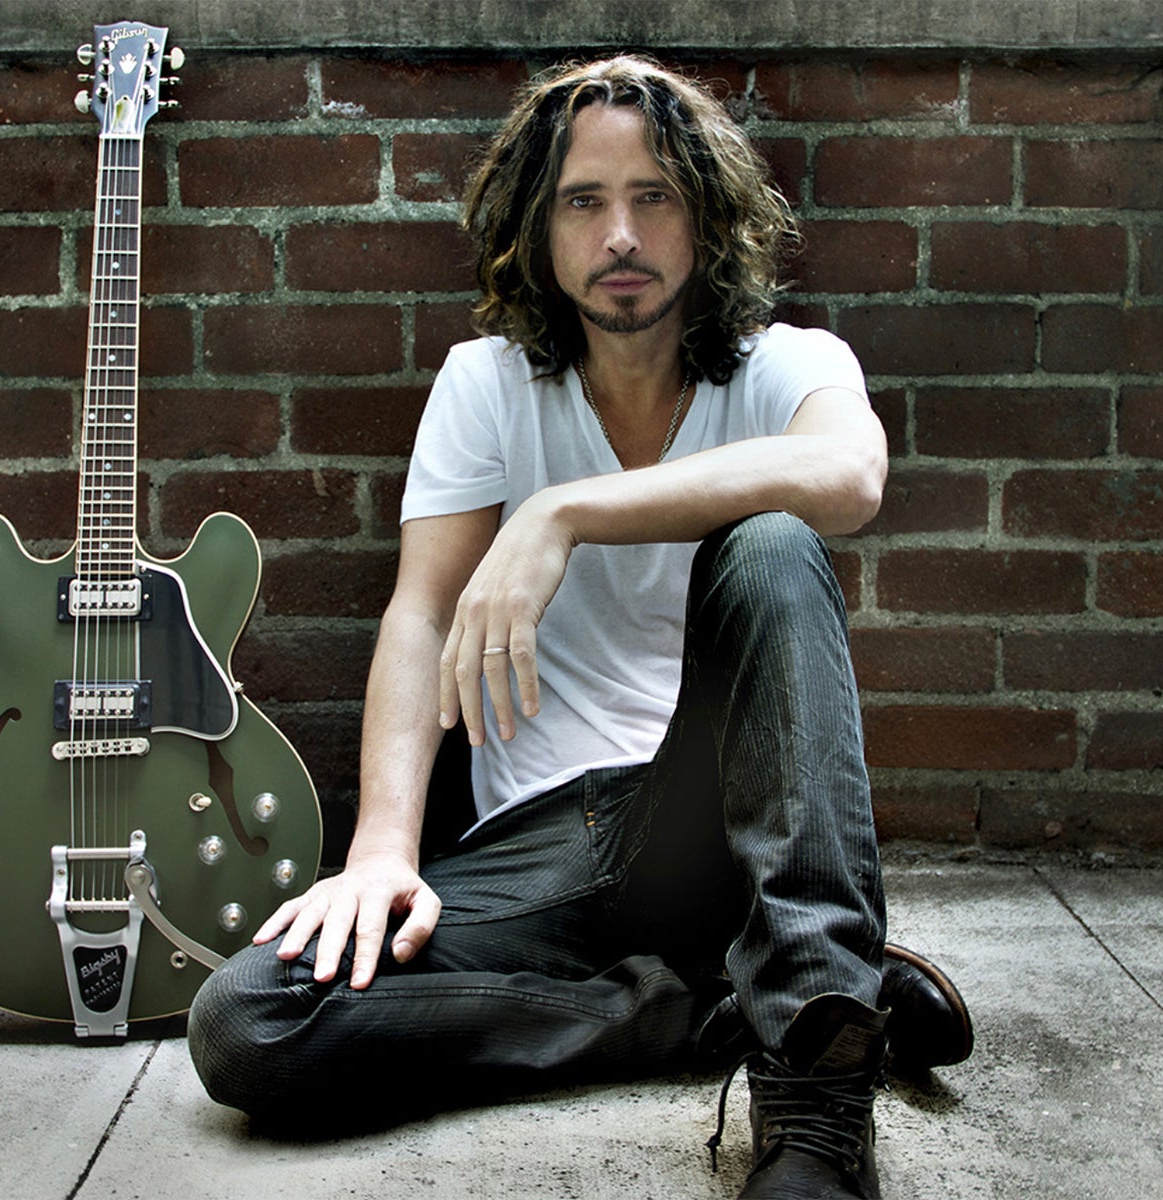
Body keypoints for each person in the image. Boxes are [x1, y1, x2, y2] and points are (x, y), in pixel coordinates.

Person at [189, 55, 972, 1199]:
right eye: (583, 201)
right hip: (553, 841)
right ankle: (740, 1006)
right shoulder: (486, 385)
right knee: (251, 1020)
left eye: (653, 196)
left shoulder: (791, 366)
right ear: (538, 231)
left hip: (718, 815)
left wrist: (561, 512)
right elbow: (419, 610)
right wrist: (381, 854)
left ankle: (813, 1114)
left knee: (771, 542)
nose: (621, 234)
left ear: (705, 217)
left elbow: (850, 476)